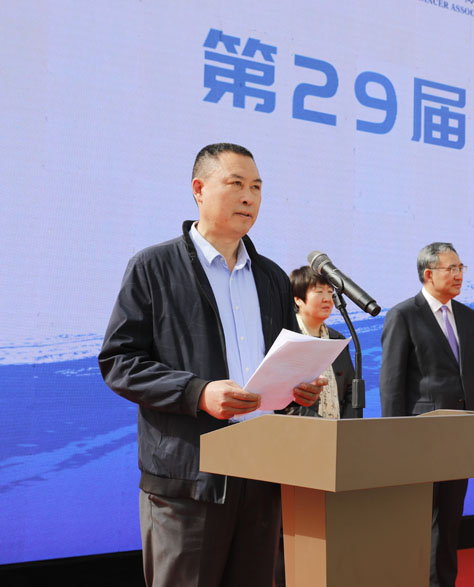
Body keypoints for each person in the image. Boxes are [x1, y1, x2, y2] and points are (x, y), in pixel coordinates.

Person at [98, 143, 325, 587]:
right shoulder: (154, 267)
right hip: (188, 479)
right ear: (199, 189)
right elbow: (119, 361)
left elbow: (279, 361)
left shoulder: (272, 277)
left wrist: (296, 391)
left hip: (262, 473)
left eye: (257, 187)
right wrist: (197, 392)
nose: (249, 197)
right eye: (236, 184)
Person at [379, 242, 474, 587]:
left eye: (460, 268)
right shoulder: (403, 315)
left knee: (450, 523)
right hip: (420, 439)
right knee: (419, 523)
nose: (458, 275)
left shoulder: (467, 316)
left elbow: (473, 377)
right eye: (450, 269)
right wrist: (395, 441)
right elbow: (391, 384)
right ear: (428, 274)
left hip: (460, 438)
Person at [287, 265, 363, 419]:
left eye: (330, 292)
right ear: (298, 299)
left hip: (338, 429)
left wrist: (345, 427)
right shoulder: (289, 338)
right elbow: (282, 397)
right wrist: (319, 425)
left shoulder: (337, 339)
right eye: (319, 292)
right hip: (299, 427)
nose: (327, 299)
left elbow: (350, 389)